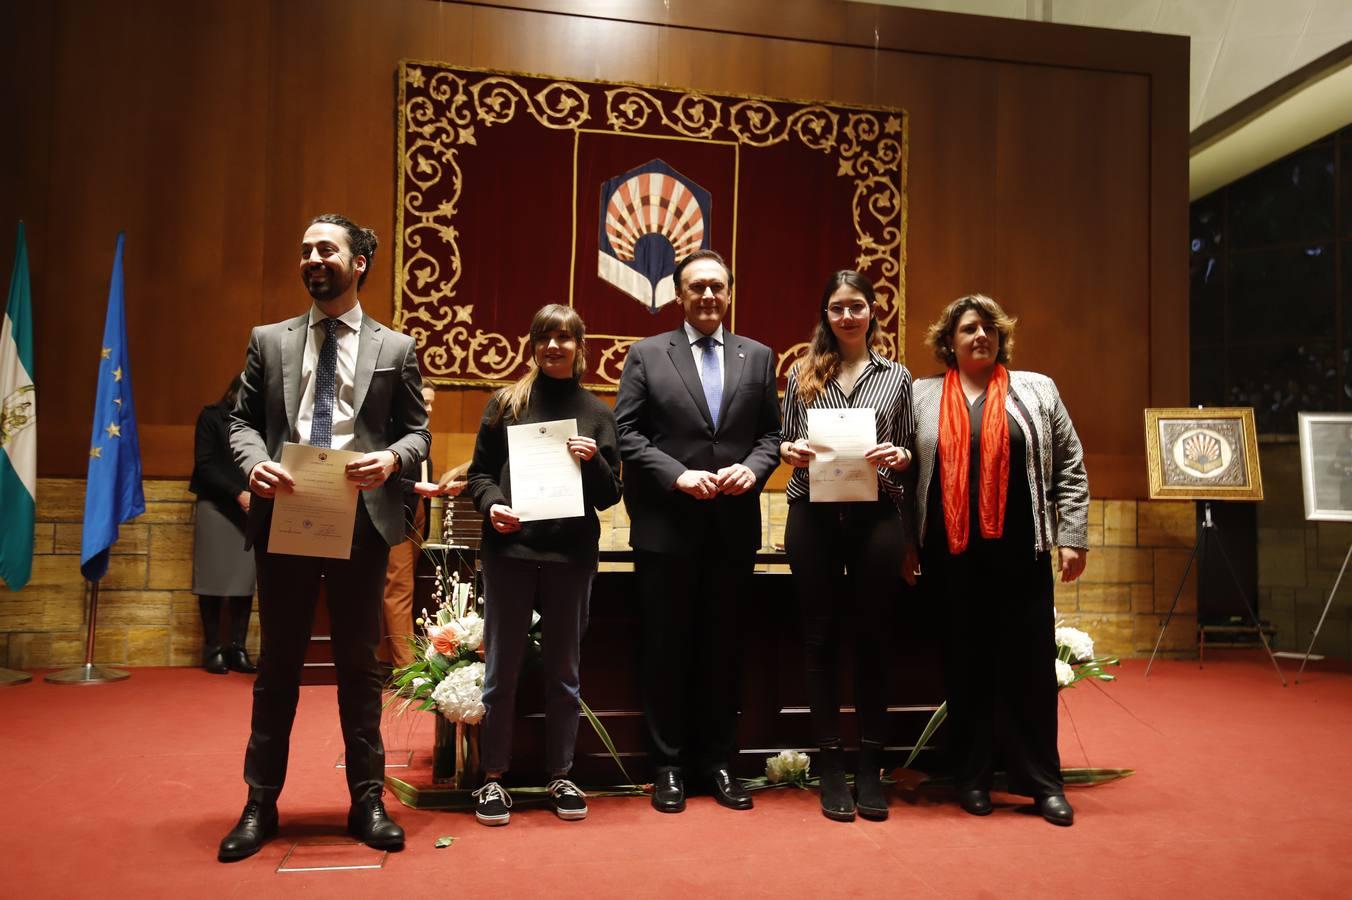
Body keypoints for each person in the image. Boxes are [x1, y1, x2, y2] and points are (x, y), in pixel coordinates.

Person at [219, 214, 430, 861]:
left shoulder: (395, 348)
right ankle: (260, 803)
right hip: (285, 518)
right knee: (277, 667)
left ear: (359, 261)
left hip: (361, 525)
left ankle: (367, 800)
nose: (313, 258)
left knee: (358, 669)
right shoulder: (269, 340)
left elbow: (418, 434)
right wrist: (252, 460)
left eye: (326, 249)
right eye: (305, 249)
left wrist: (392, 461)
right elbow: (240, 420)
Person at [614, 248, 781, 814]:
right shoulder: (646, 354)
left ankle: (720, 765)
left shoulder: (758, 357)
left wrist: (753, 470)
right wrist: (677, 474)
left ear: (730, 293)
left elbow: (770, 436)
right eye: (697, 288)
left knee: (723, 651)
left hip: (732, 530)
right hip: (666, 529)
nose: (708, 296)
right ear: (678, 296)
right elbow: (627, 434)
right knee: (666, 650)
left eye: (718, 287)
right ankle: (667, 767)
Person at [912, 294, 1089, 827]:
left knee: (1029, 671)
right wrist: (904, 545)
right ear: (950, 340)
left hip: (1021, 555)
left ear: (1001, 336)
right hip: (949, 557)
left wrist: (1072, 536)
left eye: (989, 328)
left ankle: (1042, 783)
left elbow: (1071, 466)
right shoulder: (920, 396)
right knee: (965, 670)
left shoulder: (1037, 389)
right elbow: (904, 478)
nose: (980, 336)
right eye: (969, 328)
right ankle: (973, 779)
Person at [463, 303, 622, 827]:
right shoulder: (506, 404)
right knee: (500, 670)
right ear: (532, 345)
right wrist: (492, 506)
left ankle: (561, 773)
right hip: (510, 552)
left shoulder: (598, 414)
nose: (554, 346)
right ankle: (492, 780)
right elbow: (478, 476)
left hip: (570, 557)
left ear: (580, 347)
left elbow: (609, 496)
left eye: (564, 338)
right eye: (544, 338)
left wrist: (593, 459)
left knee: (564, 674)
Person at [778, 270, 915, 822]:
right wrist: (790, 451)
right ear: (826, 315)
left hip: (876, 517)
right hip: (812, 515)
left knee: (874, 639)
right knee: (819, 639)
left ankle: (869, 766)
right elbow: (785, 439)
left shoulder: (896, 376)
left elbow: (906, 448)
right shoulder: (802, 372)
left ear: (871, 311)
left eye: (856, 306)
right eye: (837, 308)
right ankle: (831, 764)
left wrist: (900, 458)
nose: (847, 316)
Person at [379, 384, 461, 669]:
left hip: (416, 515)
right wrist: (418, 486)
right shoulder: (391, 430)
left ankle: (388, 661)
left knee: (403, 589)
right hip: (395, 516)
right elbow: (381, 477)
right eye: (424, 402)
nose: (429, 409)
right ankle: (407, 669)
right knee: (399, 590)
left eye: (431, 404)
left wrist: (440, 487)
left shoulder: (419, 435)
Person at [189, 374, 257, 675]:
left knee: (244, 583)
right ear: (234, 390)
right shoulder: (211, 417)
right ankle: (213, 647)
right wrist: (237, 493)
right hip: (217, 506)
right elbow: (205, 465)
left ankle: (237, 648)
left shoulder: (259, 423)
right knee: (213, 581)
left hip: (250, 510)